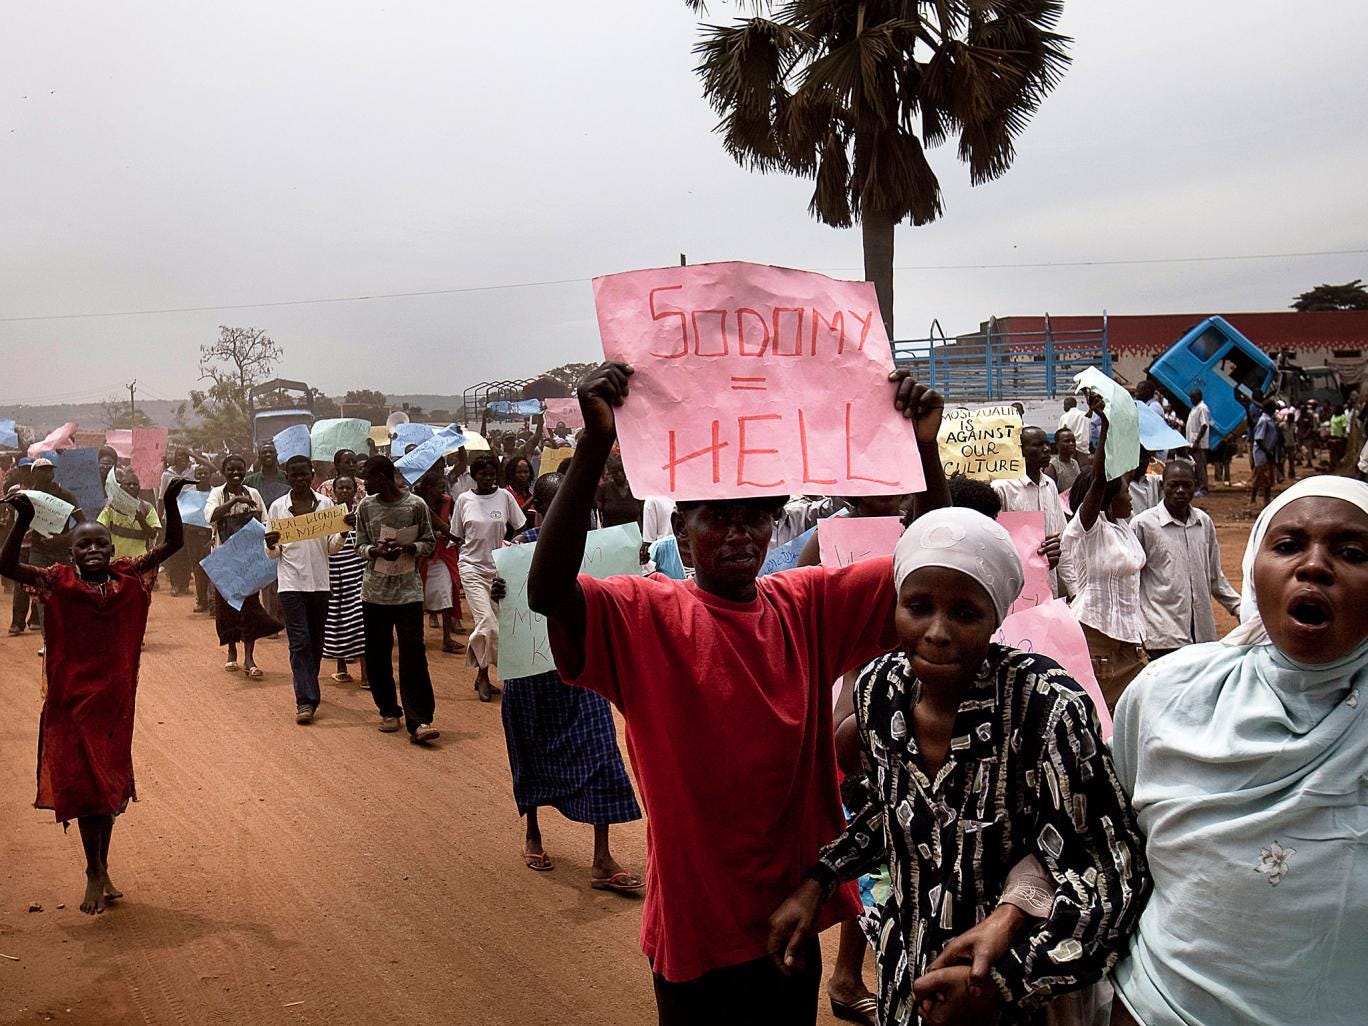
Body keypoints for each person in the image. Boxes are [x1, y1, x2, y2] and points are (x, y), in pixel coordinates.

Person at [528, 361, 947, 1025]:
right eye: (717, 518)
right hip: (696, 931)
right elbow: (547, 592)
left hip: (793, 910)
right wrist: (593, 447)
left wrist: (922, 448)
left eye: (755, 519)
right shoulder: (646, 616)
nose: (738, 535)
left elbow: (938, 571)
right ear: (683, 526)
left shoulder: (806, 607)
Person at [769, 508, 1150, 1026]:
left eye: (966, 614)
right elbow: (891, 810)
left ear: (996, 618)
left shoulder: (1046, 707)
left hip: (1016, 998)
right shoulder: (881, 691)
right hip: (909, 977)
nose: (938, 632)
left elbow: (1108, 870)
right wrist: (819, 879)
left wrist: (1004, 981)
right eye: (918, 607)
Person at [1110, 476, 1368, 1026]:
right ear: (1255, 564)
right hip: (1160, 1009)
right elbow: (1108, 838)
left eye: (1351, 552)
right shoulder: (1169, 693)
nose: (1315, 566)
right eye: (1288, 545)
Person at [0, 477, 187, 915]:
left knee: (107, 787)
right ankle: (92, 871)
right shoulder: (56, 581)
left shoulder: (128, 576)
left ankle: (101, 867)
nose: (94, 551)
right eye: (84, 546)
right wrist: (21, 520)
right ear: (72, 554)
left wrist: (170, 500)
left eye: (100, 544)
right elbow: (6, 567)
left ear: (112, 549)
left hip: (114, 704)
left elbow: (174, 543)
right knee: (85, 789)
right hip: (70, 703)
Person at [489, 473, 644, 893]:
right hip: (532, 672)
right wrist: (498, 592)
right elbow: (504, 605)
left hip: (580, 669)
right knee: (530, 748)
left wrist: (636, 568)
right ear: (540, 509)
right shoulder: (517, 552)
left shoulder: (601, 547)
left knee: (599, 750)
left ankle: (601, 857)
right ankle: (533, 833)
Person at [1062, 400, 1146, 712]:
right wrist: (1106, 426)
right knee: (1098, 717)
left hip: (1129, 639)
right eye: (1125, 492)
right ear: (1109, 501)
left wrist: (1126, 419)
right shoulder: (1089, 528)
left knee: (1129, 715)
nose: (1131, 496)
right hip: (1095, 638)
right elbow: (1100, 479)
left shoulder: (1122, 527)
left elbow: (1129, 466)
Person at [355, 455, 439, 743]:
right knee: (377, 653)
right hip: (375, 593)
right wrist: (375, 552)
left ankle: (420, 720)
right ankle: (388, 710)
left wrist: (408, 547)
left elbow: (430, 542)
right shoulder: (366, 507)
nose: (364, 483)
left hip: (408, 592)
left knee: (413, 654)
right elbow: (359, 545)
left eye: (368, 477)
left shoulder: (415, 505)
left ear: (383, 477)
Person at [265, 455, 347, 725]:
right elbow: (272, 554)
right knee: (299, 642)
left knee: (315, 641)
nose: (299, 479)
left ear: (312, 475)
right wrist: (270, 543)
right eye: (294, 475)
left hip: (320, 584)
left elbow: (331, 548)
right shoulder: (278, 507)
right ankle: (306, 700)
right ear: (287, 476)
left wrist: (343, 533)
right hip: (290, 584)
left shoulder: (326, 505)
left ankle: (308, 687)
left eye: (304, 475)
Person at [1131, 460, 1240, 660]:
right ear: (1162, 486)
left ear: (1195, 486)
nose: (1180, 490)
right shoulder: (1143, 525)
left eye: (1186, 485)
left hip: (1201, 637)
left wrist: (1238, 607)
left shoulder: (1203, 523)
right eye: (1174, 485)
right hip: (1162, 635)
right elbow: (1131, 580)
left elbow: (1214, 576)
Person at [454, 452, 526, 701]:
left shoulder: (505, 497)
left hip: (498, 569)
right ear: (475, 476)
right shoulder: (464, 500)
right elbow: (458, 535)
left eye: (492, 475)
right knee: (488, 623)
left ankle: (481, 675)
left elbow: (519, 526)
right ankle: (496, 675)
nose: (488, 479)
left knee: (493, 625)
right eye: (483, 475)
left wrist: (513, 547)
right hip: (471, 568)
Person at [204, 454, 280, 678]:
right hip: (224, 560)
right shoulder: (217, 493)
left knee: (249, 607)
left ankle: (249, 658)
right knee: (227, 608)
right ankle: (231, 650)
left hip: (248, 561)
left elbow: (266, 522)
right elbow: (211, 516)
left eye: (240, 469)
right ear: (223, 471)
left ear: (245, 470)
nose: (236, 473)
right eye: (231, 469)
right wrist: (235, 501)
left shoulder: (253, 493)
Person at [11, 458, 84, 638]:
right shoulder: (28, 497)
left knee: (65, 592)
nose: (46, 473)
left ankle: (66, 633)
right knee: (42, 594)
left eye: (49, 470)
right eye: (42, 470)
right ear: (33, 473)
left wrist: (64, 539)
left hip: (61, 552)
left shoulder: (65, 495)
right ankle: (48, 637)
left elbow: (82, 523)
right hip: (37, 552)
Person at [991, 426, 1067, 597]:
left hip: (1048, 586)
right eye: (1038, 445)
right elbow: (997, 543)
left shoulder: (1049, 485)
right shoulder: (1002, 488)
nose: (1047, 449)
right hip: (1017, 589)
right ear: (1020, 451)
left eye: (1047, 444)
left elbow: (1062, 539)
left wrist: (1074, 589)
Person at [322, 474, 367, 685]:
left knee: (360, 621)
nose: (345, 491)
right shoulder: (327, 515)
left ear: (355, 490)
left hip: (357, 572)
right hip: (333, 572)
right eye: (341, 488)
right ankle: (341, 668)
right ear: (334, 490)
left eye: (349, 488)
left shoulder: (362, 513)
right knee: (336, 619)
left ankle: (366, 674)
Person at [414, 466, 464, 654]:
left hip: (442, 553)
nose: (443, 491)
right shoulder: (416, 504)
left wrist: (449, 534)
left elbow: (452, 525)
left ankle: (446, 638)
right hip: (421, 555)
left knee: (446, 591)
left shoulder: (448, 502)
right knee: (418, 597)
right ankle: (417, 638)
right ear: (427, 488)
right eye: (439, 487)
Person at [97, 471, 162, 559]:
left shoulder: (147, 507)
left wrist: (141, 520)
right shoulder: (112, 506)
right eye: (128, 484)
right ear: (121, 487)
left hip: (138, 559)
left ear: (139, 487)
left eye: (135, 484)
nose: (131, 486)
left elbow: (153, 535)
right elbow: (100, 527)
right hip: (115, 559)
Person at [182, 465, 215, 613]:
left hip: (212, 535)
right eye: (199, 473)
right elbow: (182, 518)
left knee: (212, 568)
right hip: (192, 536)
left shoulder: (216, 493)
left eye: (205, 473)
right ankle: (202, 599)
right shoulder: (187, 495)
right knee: (198, 568)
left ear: (210, 475)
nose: (202, 475)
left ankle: (213, 600)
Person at [595, 452, 643, 529]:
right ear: (611, 473)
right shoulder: (604, 489)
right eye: (615, 472)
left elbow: (641, 514)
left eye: (621, 471)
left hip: (633, 534)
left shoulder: (636, 488)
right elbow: (597, 513)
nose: (619, 474)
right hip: (610, 534)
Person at [1251, 398, 1279, 508]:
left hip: (1268, 452)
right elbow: (1259, 438)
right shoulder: (1263, 420)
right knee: (1259, 476)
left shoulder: (1269, 419)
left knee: (1268, 478)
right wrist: (1267, 452)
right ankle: (1253, 499)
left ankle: (1266, 500)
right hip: (1262, 454)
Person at [243, 441, 289, 507]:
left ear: (276, 455)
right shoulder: (249, 481)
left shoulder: (287, 478)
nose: (268, 454)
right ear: (259, 457)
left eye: (271, 452)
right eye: (264, 453)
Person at [1184, 389, 1211, 494]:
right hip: (1192, 442)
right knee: (1195, 466)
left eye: (1193, 397)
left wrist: (1197, 441)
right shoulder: (1195, 408)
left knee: (1200, 466)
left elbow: (1204, 425)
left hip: (1199, 444)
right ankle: (1198, 486)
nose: (1191, 399)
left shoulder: (1202, 408)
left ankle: (1204, 488)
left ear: (1199, 397)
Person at [1044, 426, 1081, 494]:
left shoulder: (1075, 463)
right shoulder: (1052, 466)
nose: (1071, 443)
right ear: (1057, 445)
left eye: (1073, 441)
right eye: (1066, 441)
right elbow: (1050, 492)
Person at [1127, 449, 1163, 518]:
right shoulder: (1123, 486)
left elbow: (1171, 477)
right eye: (1139, 458)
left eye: (1146, 458)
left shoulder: (1153, 480)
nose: (1143, 462)